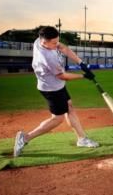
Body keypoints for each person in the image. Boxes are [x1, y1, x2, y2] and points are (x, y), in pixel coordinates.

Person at [13, 26, 99, 157]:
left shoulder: (40, 40)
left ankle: (82, 139)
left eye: (56, 41)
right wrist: (84, 76)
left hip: (56, 85)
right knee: (58, 119)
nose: (56, 45)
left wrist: (81, 63)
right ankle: (25, 138)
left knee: (69, 107)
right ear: (44, 42)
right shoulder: (47, 57)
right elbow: (62, 76)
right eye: (53, 43)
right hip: (52, 88)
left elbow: (63, 48)